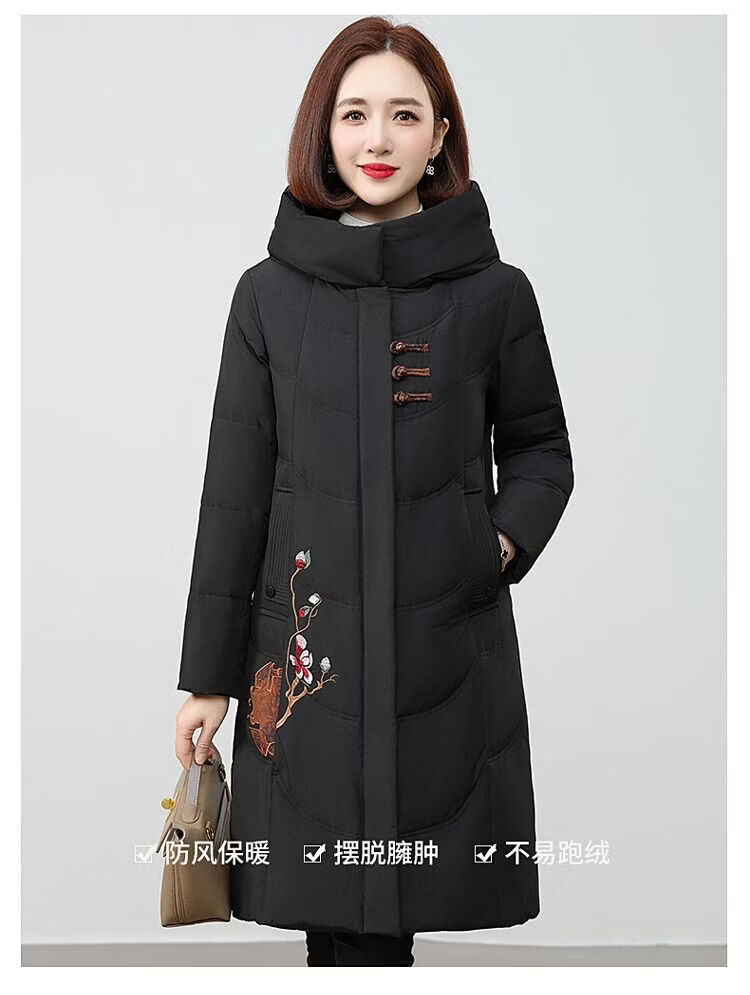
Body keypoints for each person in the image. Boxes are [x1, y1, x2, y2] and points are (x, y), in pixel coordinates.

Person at [174, 15, 574, 968]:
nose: (378, 139)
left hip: (447, 646)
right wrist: (207, 678)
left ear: (441, 136)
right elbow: (235, 493)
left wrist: (490, 547)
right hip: (307, 658)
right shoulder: (268, 296)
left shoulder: (495, 294)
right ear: (324, 133)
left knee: (396, 911)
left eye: (404, 114)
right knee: (335, 913)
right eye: (354, 114)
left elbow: (541, 451)